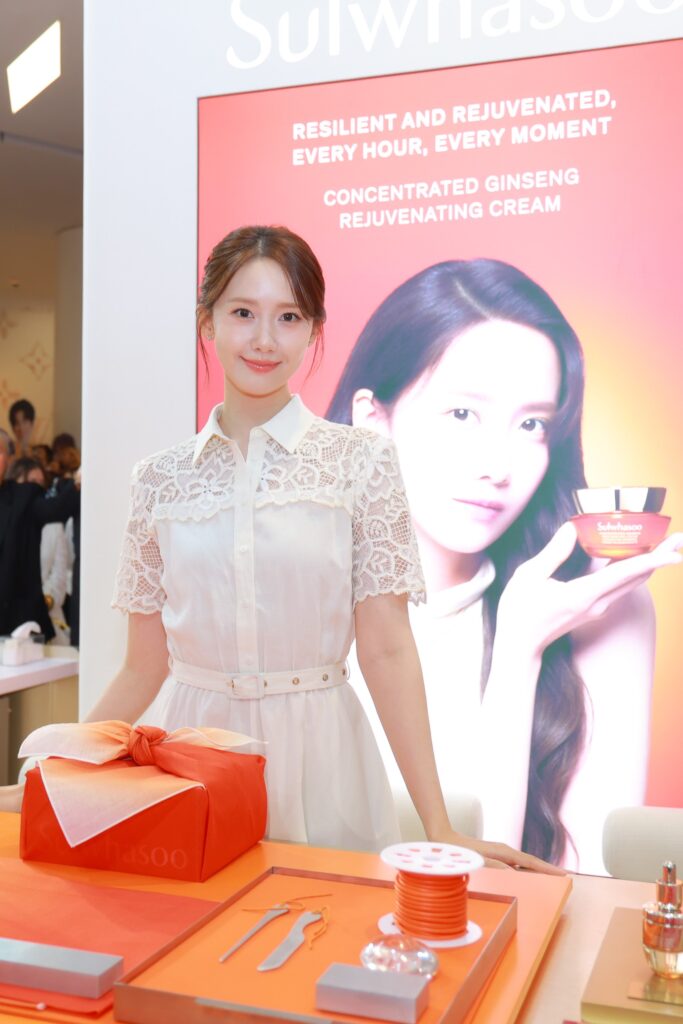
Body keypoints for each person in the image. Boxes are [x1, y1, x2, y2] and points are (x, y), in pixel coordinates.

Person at [0, 228, 557, 870]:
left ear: (314, 330)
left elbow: (386, 649)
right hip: (195, 761)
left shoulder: (362, 462)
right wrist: (58, 768)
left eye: (288, 317)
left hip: (324, 757)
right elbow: (142, 667)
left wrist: (439, 824)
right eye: (243, 313)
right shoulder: (160, 479)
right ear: (207, 321)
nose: (265, 339)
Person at [326, 258, 682, 872]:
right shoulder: (289, 593)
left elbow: (579, 889)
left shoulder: (593, 602)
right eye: (463, 414)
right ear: (373, 420)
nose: (498, 465)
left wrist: (521, 648)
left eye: (532, 424)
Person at [0, 433, 79, 642]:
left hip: (16, 626)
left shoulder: (22, 497)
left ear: (9, 459)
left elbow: (55, 509)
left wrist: (78, 483)